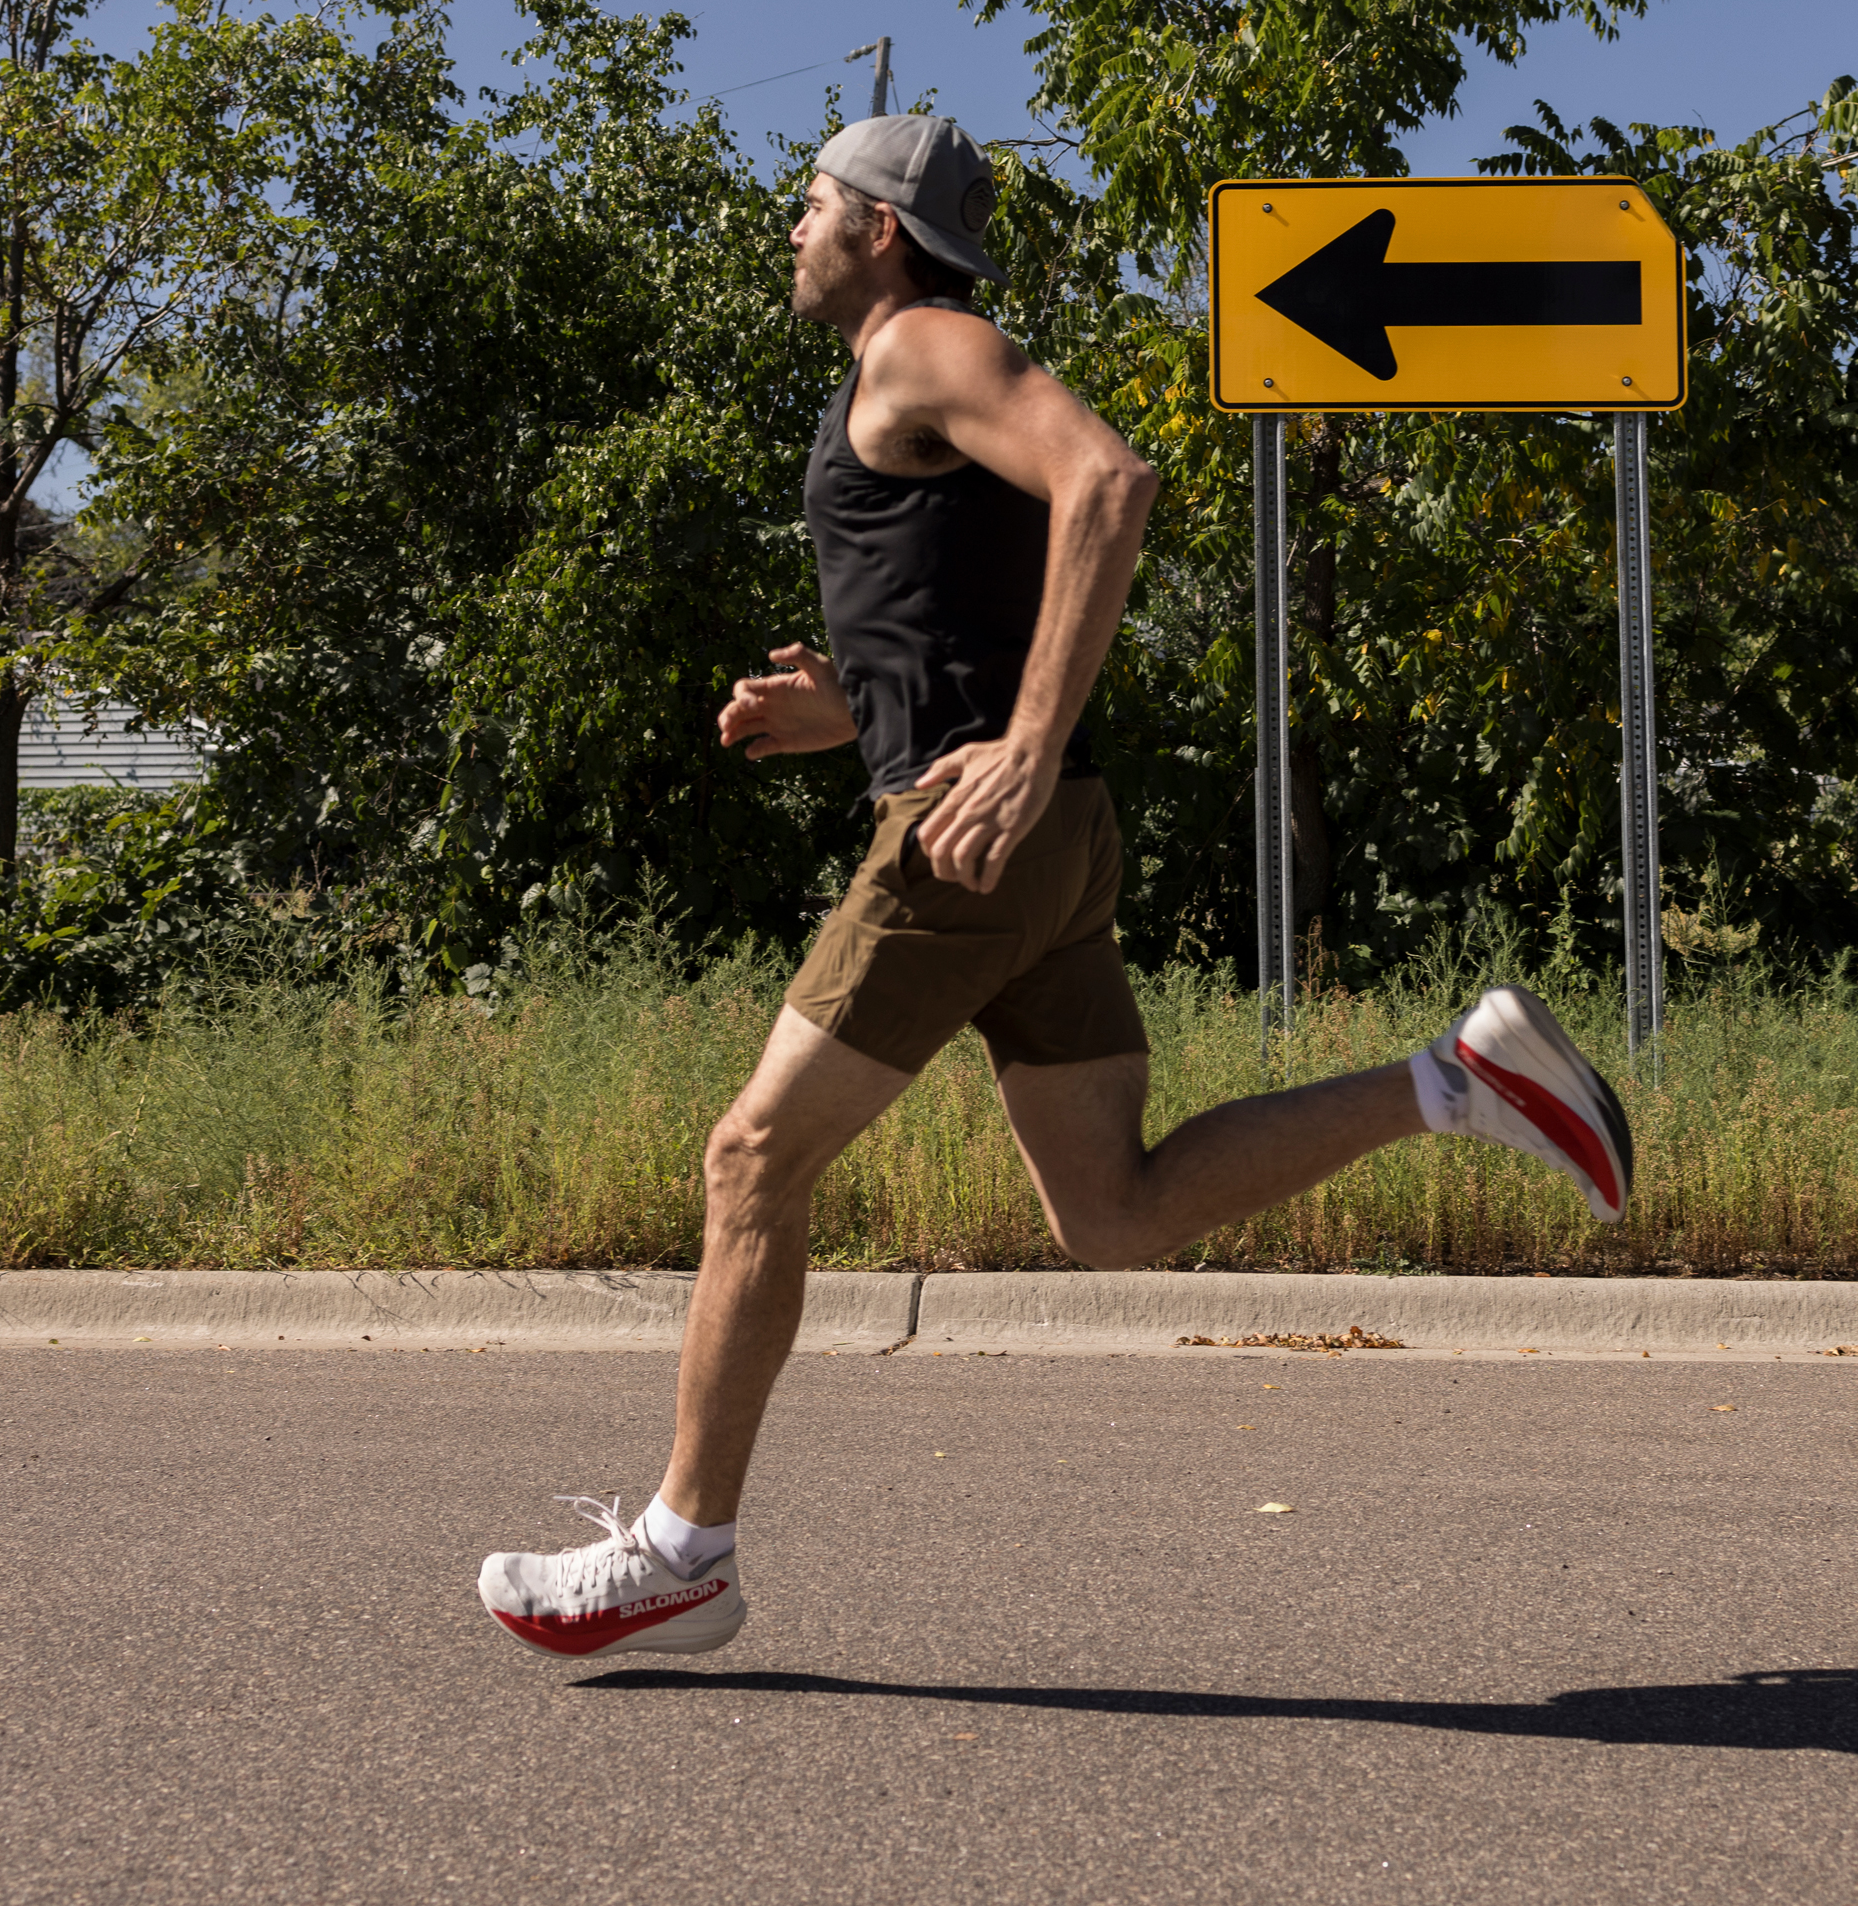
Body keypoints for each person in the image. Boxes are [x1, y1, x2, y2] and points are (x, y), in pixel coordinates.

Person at [478, 115, 1633, 1659]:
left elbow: (1110, 482)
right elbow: (966, 601)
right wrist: (853, 715)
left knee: (752, 1156)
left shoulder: (925, 343)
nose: (793, 229)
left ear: (882, 228)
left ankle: (682, 1551)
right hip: (1038, 828)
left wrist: (1013, 747)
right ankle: (1456, 1079)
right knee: (1113, 1208)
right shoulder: (903, 376)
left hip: (975, 836)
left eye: (811, 203)